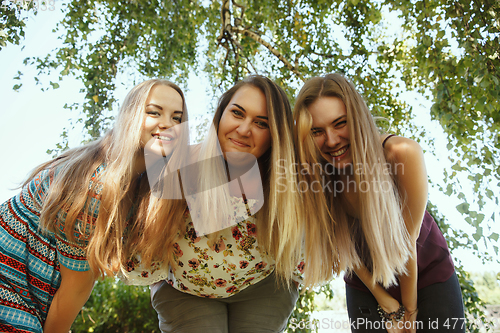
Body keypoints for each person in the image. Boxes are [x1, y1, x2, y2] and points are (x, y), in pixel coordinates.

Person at [0, 79, 190, 333]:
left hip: (31, 295)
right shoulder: (96, 183)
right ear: (129, 117)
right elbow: (75, 288)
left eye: (177, 118)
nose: (167, 124)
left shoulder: (140, 185)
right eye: (153, 112)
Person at [125, 75, 304, 333]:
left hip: (262, 288)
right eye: (237, 113)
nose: (244, 129)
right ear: (220, 115)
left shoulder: (286, 181)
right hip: (185, 291)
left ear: (276, 135)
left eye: (261, 123)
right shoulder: (181, 164)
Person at [293, 73, 464, 332]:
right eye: (317, 131)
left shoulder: (401, 153)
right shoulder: (315, 173)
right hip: (366, 282)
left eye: (340, 123)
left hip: (425, 272)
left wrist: (410, 312)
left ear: (358, 118)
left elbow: (407, 243)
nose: (331, 140)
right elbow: (343, 245)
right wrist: (384, 301)